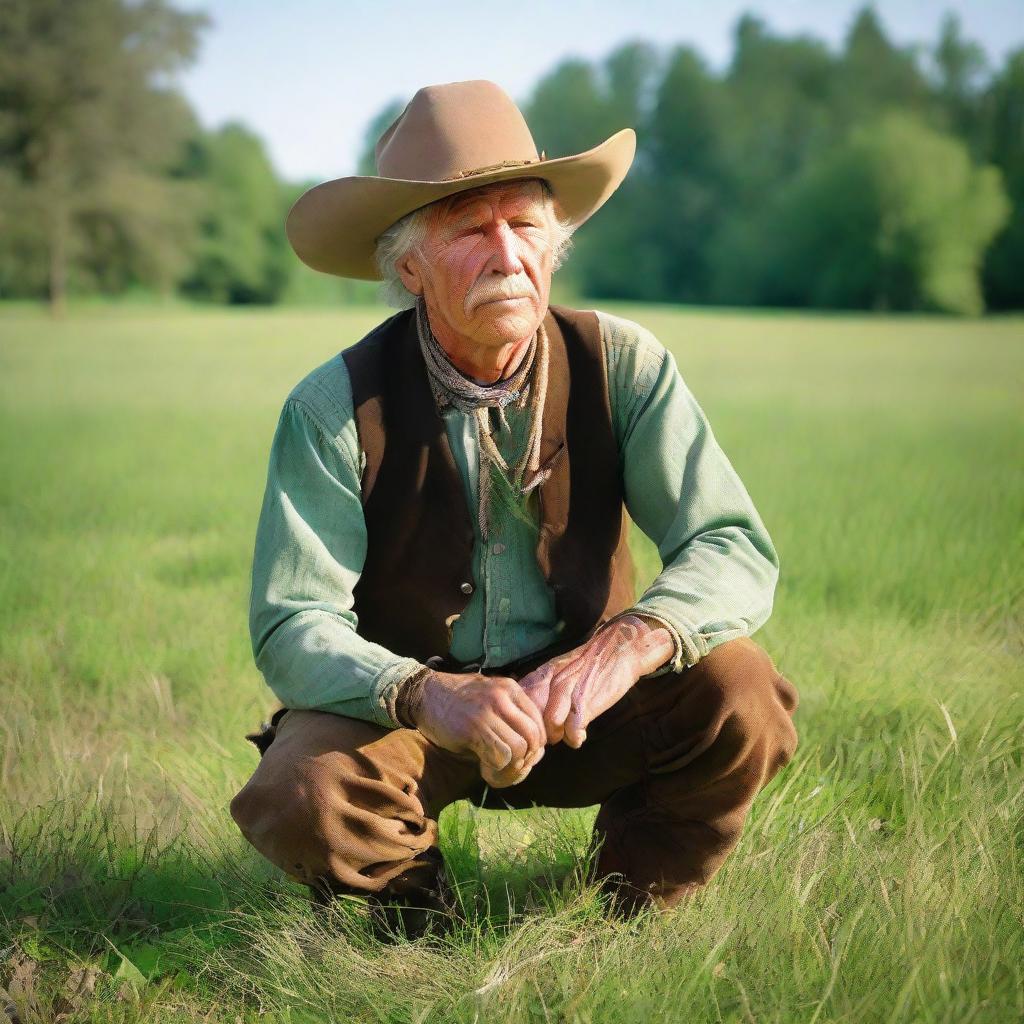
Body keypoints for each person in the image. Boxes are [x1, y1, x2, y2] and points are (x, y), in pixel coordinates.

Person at [229, 79, 798, 939]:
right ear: (409, 266)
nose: (507, 252)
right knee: (299, 793)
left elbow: (730, 544)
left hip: (589, 709)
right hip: (414, 720)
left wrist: (626, 647)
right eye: (470, 228)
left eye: (525, 223)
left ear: (554, 244)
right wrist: (425, 694)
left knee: (741, 690)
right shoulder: (333, 407)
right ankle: (419, 927)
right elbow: (290, 622)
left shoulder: (625, 366)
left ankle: (628, 912)